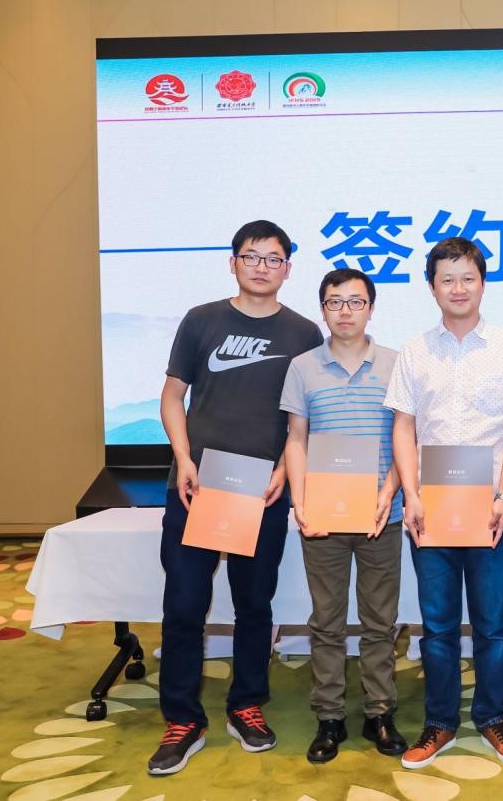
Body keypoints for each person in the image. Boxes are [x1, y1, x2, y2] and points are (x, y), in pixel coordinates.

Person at [148, 220, 323, 776]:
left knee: (255, 606)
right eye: (251, 256)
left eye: (273, 259)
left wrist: (284, 472)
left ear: (287, 269)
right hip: (196, 486)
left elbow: (306, 418)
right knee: (184, 605)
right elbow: (172, 397)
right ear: (233, 262)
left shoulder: (303, 333)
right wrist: (183, 459)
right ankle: (183, 719)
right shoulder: (201, 320)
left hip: (262, 492)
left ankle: (246, 704)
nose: (261, 267)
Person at [384, 237, 503, 769]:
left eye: (468, 278)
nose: (458, 288)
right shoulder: (414, 351)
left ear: (483, 284)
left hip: (491, 508)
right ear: (432, 287)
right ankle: (440, 722)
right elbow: (403, 427)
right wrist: (411, 495)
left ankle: (493, 717)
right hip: (430, 509)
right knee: (438, 627)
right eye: (447, 279)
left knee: (493, 625)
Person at [281, 268, 408, 764]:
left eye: (356, 302)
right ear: (323, 310)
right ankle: (329, 717)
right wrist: (300, 502)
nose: (345, 311)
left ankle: (380, 713)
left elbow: (407, 438)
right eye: (335, 302)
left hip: (381, 516)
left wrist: (389, 491)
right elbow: (296, 439)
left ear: (371, 308)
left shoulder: (396, 364)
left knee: (380, 622)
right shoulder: (303, 367)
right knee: (326, 623)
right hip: (323, 518)